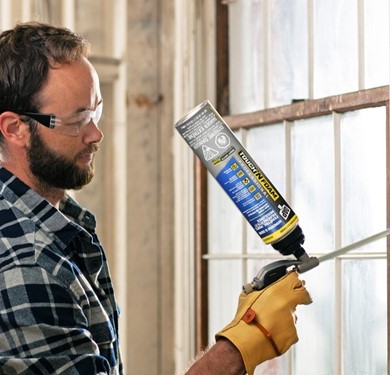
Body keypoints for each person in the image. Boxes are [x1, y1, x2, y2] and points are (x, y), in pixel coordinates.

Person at [0, 22, 311, 375]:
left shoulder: (59, 225)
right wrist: (240, 348)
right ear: (15, 129)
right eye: (78, 119)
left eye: (96, 110)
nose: (95, 132)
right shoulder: (27, 263)